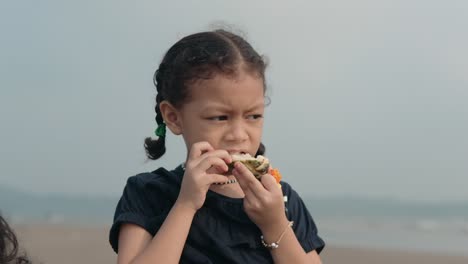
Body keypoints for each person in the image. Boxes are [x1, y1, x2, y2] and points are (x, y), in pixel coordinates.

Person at [109, 28, 325, 264]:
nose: (239, 135)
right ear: (173, 117)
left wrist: (275, 225)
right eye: (220, 118)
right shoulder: (149, 193)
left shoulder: (279, 199)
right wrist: (186, 204)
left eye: (253, 116)